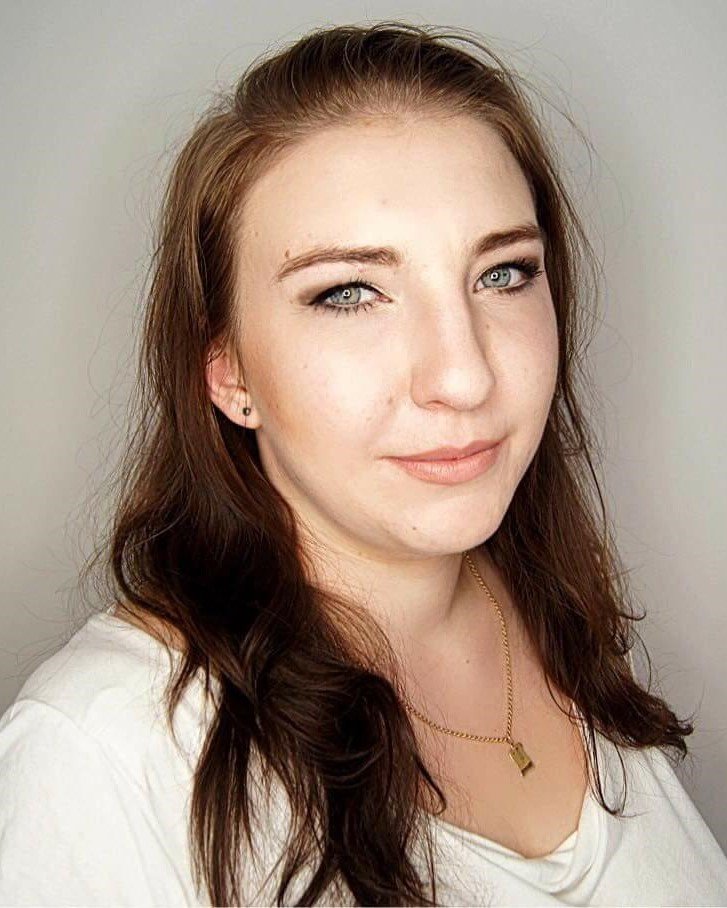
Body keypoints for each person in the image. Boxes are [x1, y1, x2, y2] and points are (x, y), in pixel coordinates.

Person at [0, 20, 725, 907]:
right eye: (348, 293)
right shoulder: (99, 757)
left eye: (503, 273)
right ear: (226, 370)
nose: (463, 376)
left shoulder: (562, 614)